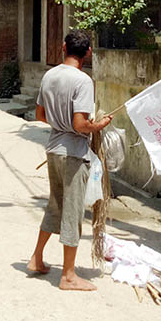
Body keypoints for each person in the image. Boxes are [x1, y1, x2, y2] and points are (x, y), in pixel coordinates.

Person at [28, 30, 112, 291]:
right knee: (72, 211)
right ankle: (68, 275)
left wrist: (60, 123)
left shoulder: (50, 75)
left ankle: (36, 258)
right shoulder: (83, 81)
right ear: (88, 52)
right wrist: (98, 125)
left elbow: (40, 114)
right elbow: (79, 124)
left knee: (55, 204)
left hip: (53, 148)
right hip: (73, 153)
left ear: (63, 47)